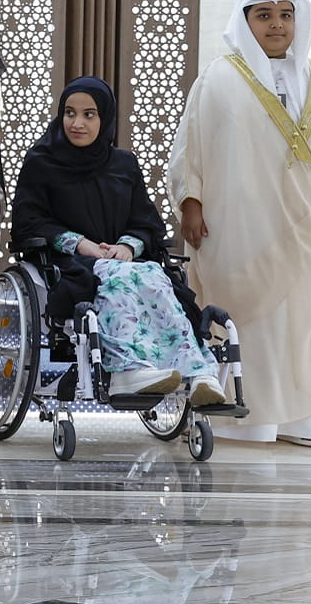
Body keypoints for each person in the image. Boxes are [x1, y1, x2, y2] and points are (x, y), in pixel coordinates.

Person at [168, 0, 311, 445]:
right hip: (240, 225)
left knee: (305, 319)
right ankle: (248, 415)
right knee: (249, 317)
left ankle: (306, 416)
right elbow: (192, 145)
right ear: (246, 21)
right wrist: (190, 202)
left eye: (286, 15)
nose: (277, 25)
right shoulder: (218, 78)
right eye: (265, 15)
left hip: (309, 227)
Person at [13, 77, 227, 403]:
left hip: (122, 260)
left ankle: (198, 373)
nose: (77, 123)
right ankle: (128, 371)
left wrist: (127, 247)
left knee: (154, 275)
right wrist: (80, 244)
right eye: (70, 113)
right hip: (68, 262)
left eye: (89, 114)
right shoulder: (41, 162)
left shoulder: (123, 164)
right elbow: (30, 222)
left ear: (105, 119)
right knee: (117, 277)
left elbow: (145, 222)